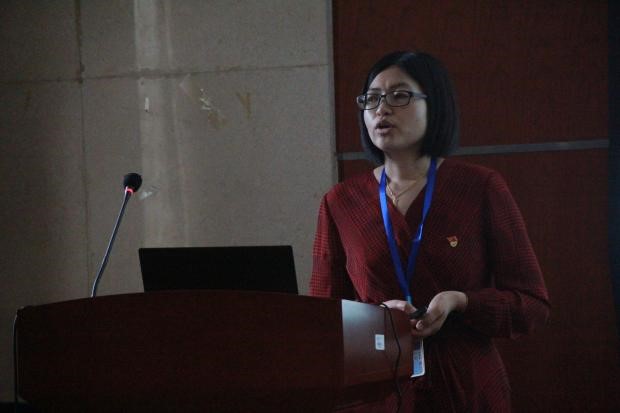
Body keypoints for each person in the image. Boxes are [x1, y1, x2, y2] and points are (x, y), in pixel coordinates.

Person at [309, 51, 550, 412]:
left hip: (465, 385)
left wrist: (461, 302)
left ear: (434, 105)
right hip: (378, 388)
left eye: (399, 95)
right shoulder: (340, 201)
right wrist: (376, 316)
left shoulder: (480, 187)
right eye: (371, 99)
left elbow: (532, 305)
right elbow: (322, 320)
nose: (381, 109)